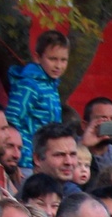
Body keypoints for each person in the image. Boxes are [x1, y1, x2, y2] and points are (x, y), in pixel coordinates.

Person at [7, 30, 68, 170]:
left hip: (45, 159)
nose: (58, 66)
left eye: (63, 60)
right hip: (28, 162)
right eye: (52, 59)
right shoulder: (28, 84)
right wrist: (27, 156)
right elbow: (12, 120)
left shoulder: (51, 85)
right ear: (38, 58)